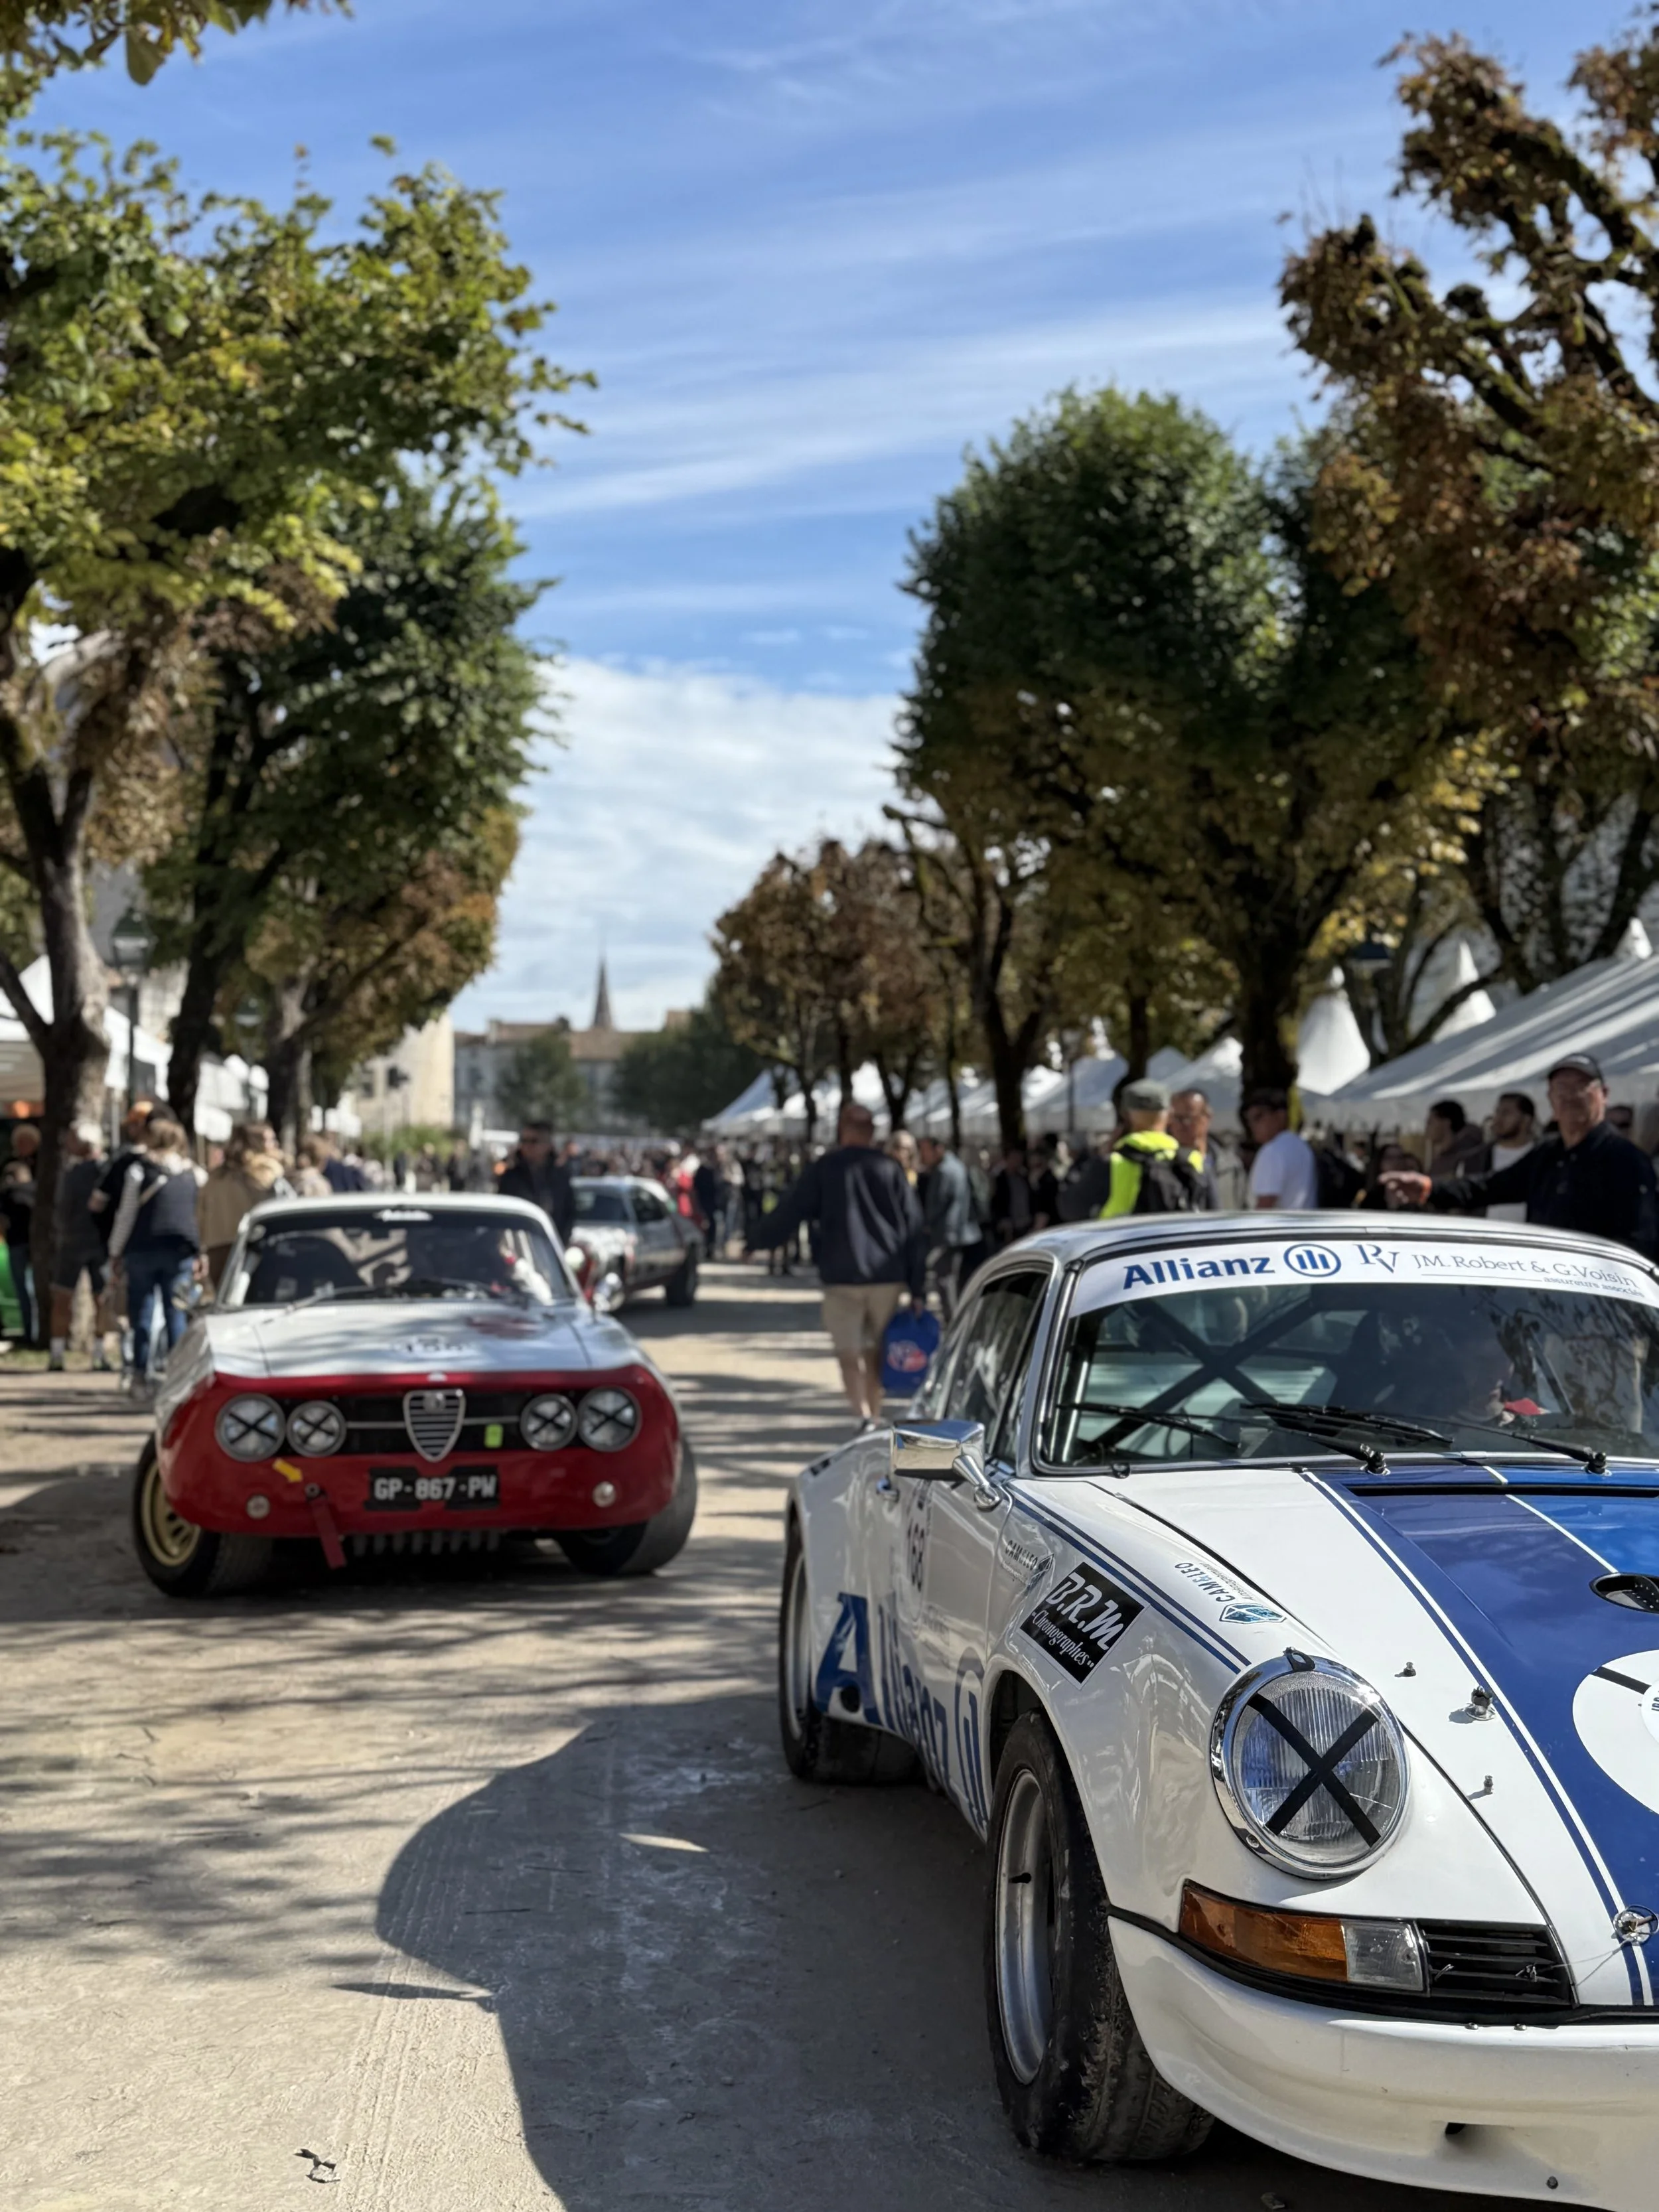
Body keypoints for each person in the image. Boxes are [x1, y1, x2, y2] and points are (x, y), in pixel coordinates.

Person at [747, 1101, 926, 1429]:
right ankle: (874, 1412)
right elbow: (914, 1229)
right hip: (886, 1277)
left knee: (848, 1352)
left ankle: (861, 1416)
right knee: (876, 1352)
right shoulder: (891, 1170)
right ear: (873, 1133)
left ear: (843, 1130)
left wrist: (756, 1240)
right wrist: (917, 1287)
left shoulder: (825, 1168)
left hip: (841, 1275)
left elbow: (791, 1210)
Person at [1384, 1053, 1659, 1257]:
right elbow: (1489, 1186)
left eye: (1581, 1086)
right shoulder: (1548, 1155)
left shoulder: (1627, 1159)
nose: (1570, 1096)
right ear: (1550, 1100)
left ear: (1604, 1094)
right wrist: (1429, 1188)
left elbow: (1641, 1242)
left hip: (1598, 1301)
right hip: (1546, 1291)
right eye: (1561, 1088)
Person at [108, 1113, 203, 1396]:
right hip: (180, 1250)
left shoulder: (138, 1171)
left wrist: (115, 1251)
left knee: (143, 1315)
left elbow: (126, 1214)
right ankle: (177, 1375)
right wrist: (202, 1250)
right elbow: (198, 1216)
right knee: (177, 1313)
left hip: (142, 1248)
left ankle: (140, 1375)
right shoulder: (194, 1173)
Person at [48, 1124, 112, 1371]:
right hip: (101, 1243)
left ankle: (56, 1355)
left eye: (72, 1139)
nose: (68, 1143)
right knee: (102, 1300)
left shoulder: (72, 1173)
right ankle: (99, 1354)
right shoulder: (108, 1169)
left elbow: (62, 1208)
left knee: (63, 1296)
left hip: (74, 1242)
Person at [1098, 1080, 1212, 1215]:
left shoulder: (1113, 1161)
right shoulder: (1193, 1160)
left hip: (1123, 1236)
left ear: (1125, 1114)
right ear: (1170, 1115)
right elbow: (1214, 1211)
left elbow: (1071, 1209)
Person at [198, 1122, 289, 1288]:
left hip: (217, 1250)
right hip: (256, 1251)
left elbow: (200, 1215)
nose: (275, 1145)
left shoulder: (215, 1177)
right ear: (256, 1143)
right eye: (270, 1140)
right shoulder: (267, 1173)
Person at [918, 1134, 979, 1319]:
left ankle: (952, 1319)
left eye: (926, 1151)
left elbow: (938, 1203)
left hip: (946, 1233)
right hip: (959, 1232)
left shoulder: (944, 1171)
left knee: (945, 1280)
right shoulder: (957, 1166)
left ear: (938, 1149)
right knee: (952, 1279)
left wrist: (926, 1223)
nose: (923, 1156)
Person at [498, 1120, 576, 1244]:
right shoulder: (511, 1177)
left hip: (551, 1245)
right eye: (524, 1141)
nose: (528, 1146)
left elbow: (568, 1214)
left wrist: (562, 1242)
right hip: (518, 1244)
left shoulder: (560, 1177)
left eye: (534, 1141)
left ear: (547, 1145)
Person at [1244, 1088, 1319, 1210]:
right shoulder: (1302, 1146)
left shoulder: (1272, 1151)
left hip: (1277, 1228)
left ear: (1280, 1115)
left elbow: (1265, 1205)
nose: (1253, 1125)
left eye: (1258, 1117)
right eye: (1250, 1120)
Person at [0, 1122, 38, 1341]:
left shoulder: (43, 1165)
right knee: (24, 1287)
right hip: (17, 1240)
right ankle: (29, 1331)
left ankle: (33, 1332)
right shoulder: (10, 1169)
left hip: (31, 1241)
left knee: (31, 1287)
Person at [1484, 1090, 1538, 1225]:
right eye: (1497, 1112)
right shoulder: (1477, 1159)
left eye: (1506, 1113)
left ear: (1526, 1120)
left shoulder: (1542, 1157)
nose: (1498, 1119)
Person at [1167, 1087, 1222, 1211]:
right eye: (1176, 1118)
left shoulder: (1229, 1165)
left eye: (1189, 1118)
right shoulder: (1162, 1166)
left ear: (1207, 1118)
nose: (1182, 1125)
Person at [990, 1145, 1033, 1246]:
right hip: (1009, 1227)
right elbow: (996, 1202)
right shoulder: (1000, 1179)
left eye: (1019, 1158)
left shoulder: (1024, 1177)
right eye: (1014, 1158)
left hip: (1025, 1224)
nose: (1017, 1161)